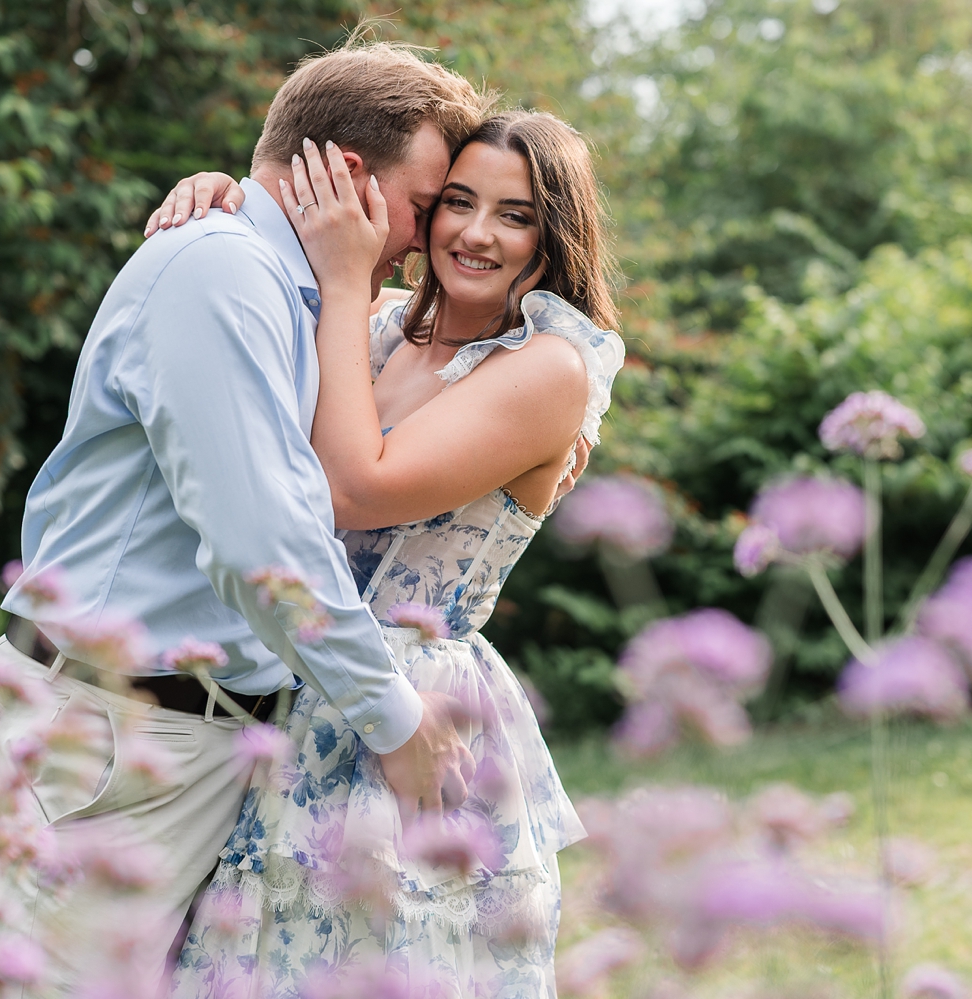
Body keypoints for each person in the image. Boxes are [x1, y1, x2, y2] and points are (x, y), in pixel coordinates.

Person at [0, 44, 494, 997]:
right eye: (422, 206)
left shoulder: (299, 290)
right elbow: (264, 537)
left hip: (206, 745)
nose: (421, 240)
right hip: (114, 742)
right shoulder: (219, 273)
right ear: (337, 172)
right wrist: (393, 717)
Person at [155, 109, 623, 998]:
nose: (476, 233)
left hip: (414, 704)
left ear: (553, 234)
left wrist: (337, 281)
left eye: (514, 214)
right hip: (294, 675)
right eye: (456, 201)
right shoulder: (376, 326)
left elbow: (353, 488)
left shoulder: (549, 365)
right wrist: (224, 201)